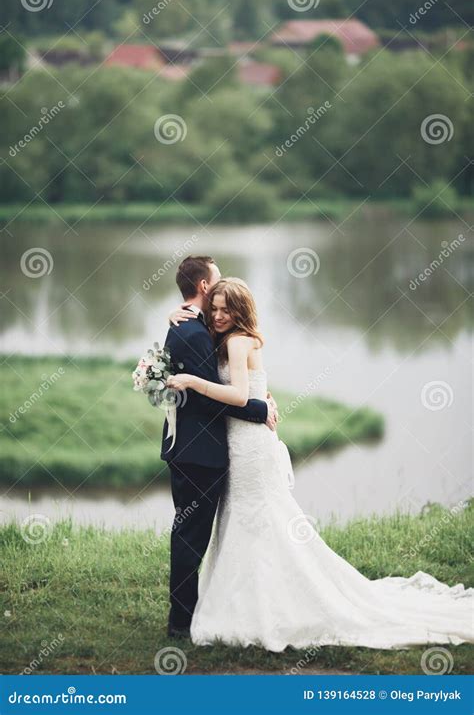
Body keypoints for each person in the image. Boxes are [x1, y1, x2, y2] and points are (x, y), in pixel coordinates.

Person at [166, 276, 473, 651]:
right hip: (236, 443)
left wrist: (193, 383)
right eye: (213, 308)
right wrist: (176, 316)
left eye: (225, 309)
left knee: (262, 520)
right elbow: (252, 385)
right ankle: (243, 601)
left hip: (250, 447)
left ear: (241, 310)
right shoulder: (223, 338)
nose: (217, 315)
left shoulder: (240, 340)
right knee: (239, 519)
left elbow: (238, 394)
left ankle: (273, 607)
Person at [161, 257, 278, 638]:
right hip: (201, 453)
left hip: (218, 449)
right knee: (193, 536)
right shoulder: (193, 330)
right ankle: (181, 622)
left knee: (231, 527)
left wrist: (260, 399)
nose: (219, 310)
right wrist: (260, 409)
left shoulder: (191, 327)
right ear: (203, 288)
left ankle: (233, 606)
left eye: (227, 309)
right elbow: (214, 400)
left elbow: (234, 381)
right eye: (215, 293)